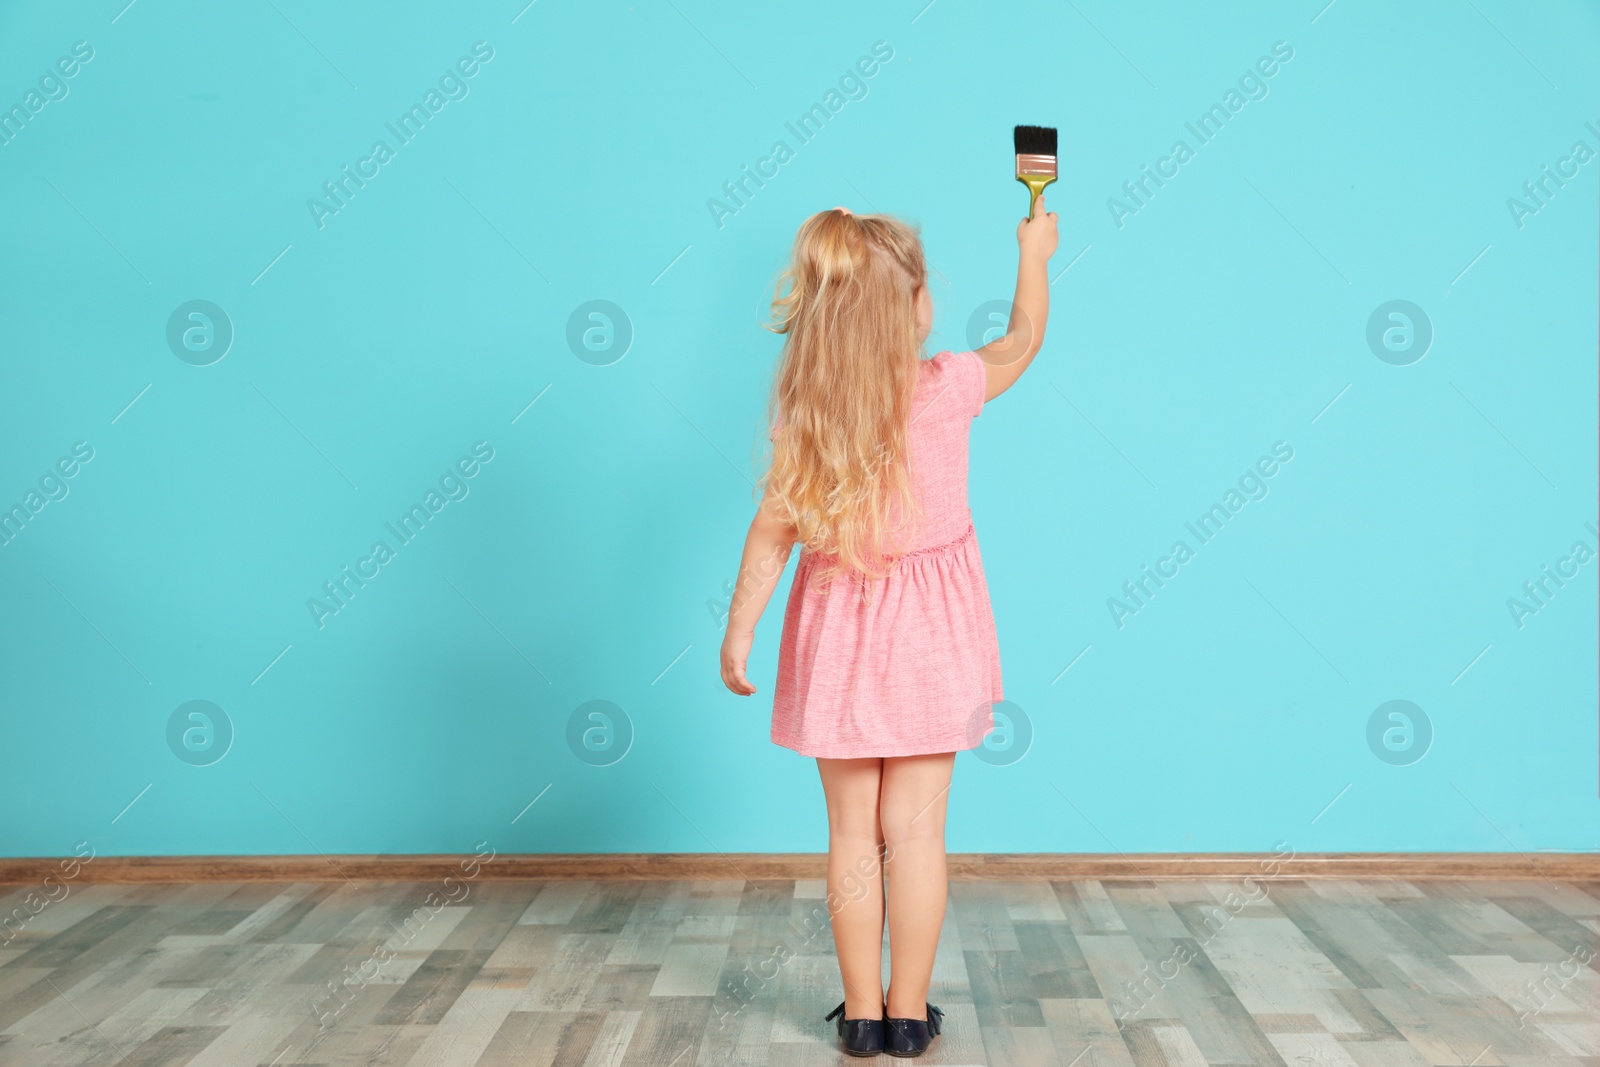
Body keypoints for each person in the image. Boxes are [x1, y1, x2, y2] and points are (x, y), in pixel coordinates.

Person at [719, 195, 1058, 1057]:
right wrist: (1035, 254)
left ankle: (860, 1015)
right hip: (932, 640)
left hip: (839, 633)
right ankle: (911, 1014)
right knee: (917, 832)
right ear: (912, 308)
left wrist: (741, 629)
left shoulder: (809, 413)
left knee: (849, 833)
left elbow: (773, 529)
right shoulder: (946, 388)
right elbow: (1021, 340)